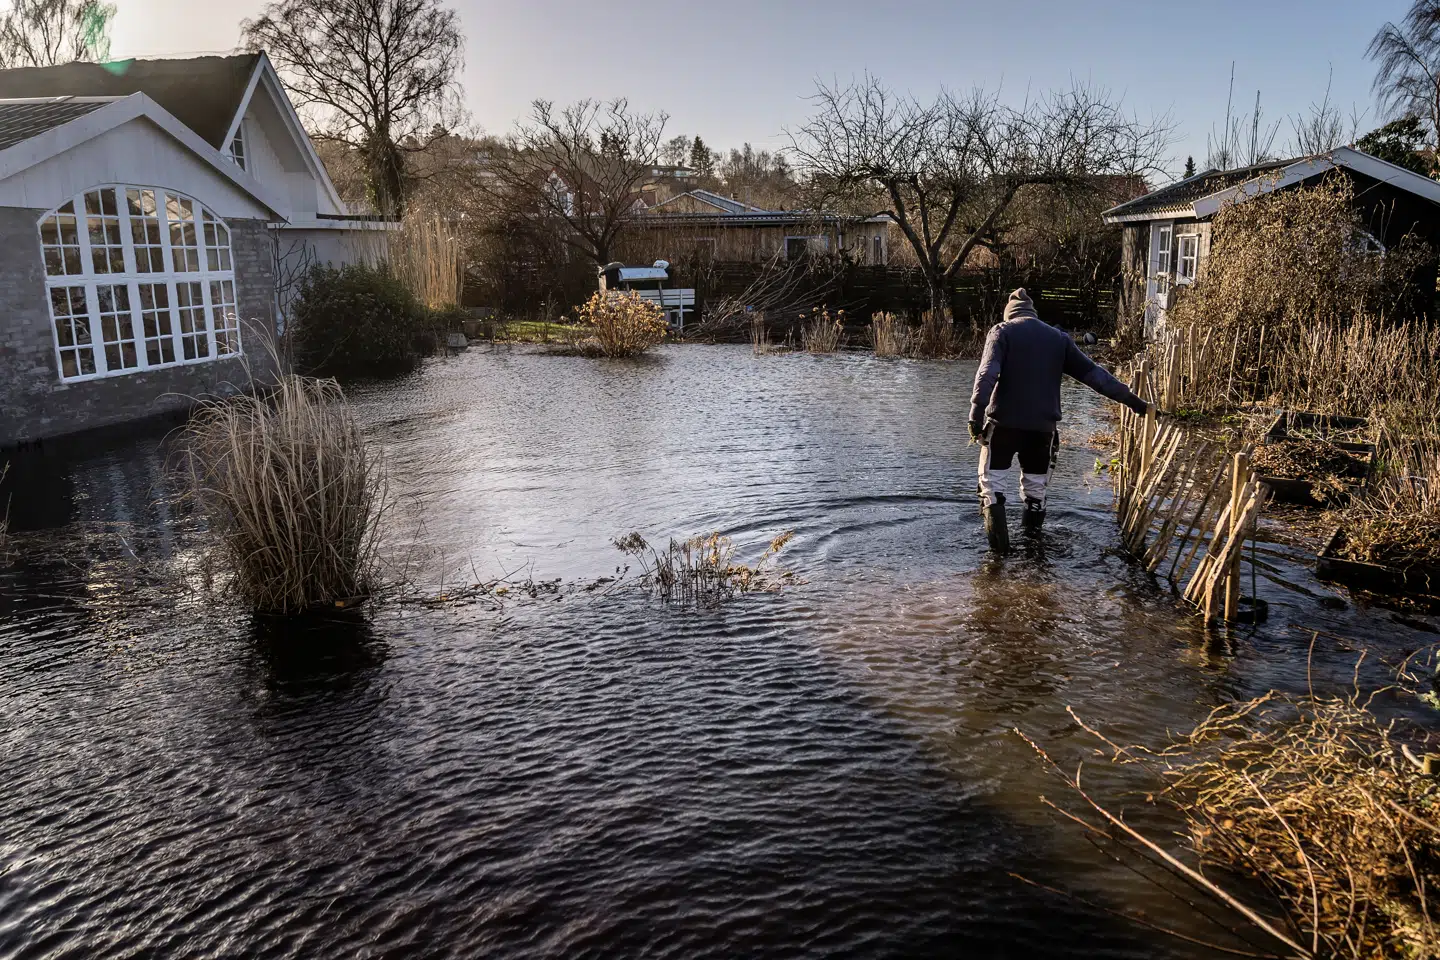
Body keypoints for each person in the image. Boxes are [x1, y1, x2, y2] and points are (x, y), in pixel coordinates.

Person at [968, 288, 1150, 552]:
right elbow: (1096, 377)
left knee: (991, 489)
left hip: (1003, 427)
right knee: (1035, 493)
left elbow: (987, 375)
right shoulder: (1058, 339)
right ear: (1033, 314)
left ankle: (997, 563)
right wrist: (1135, 403)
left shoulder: (1001, 332)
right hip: (1042, 433)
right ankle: (1032, 557)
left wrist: (975, 416)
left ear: (1010, 315)